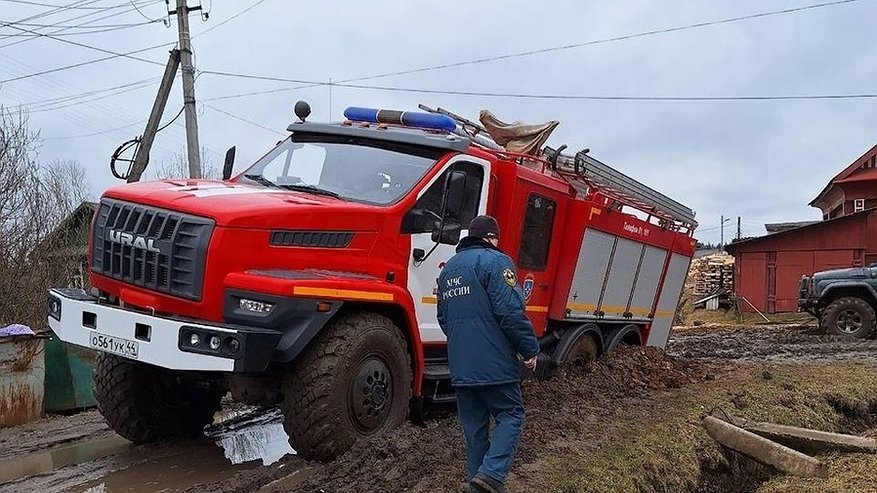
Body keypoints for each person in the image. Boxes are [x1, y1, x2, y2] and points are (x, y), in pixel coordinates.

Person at [436, 215, 540, 493]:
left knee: (474, 431)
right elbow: (510, 312)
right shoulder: (497, 261)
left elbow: (444, 320)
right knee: (511, 414)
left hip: (461, 368)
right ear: (491, 238)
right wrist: (529, 349)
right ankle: (492, 475)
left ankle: (480, 487)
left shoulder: (448, 270)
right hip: (495, 364)